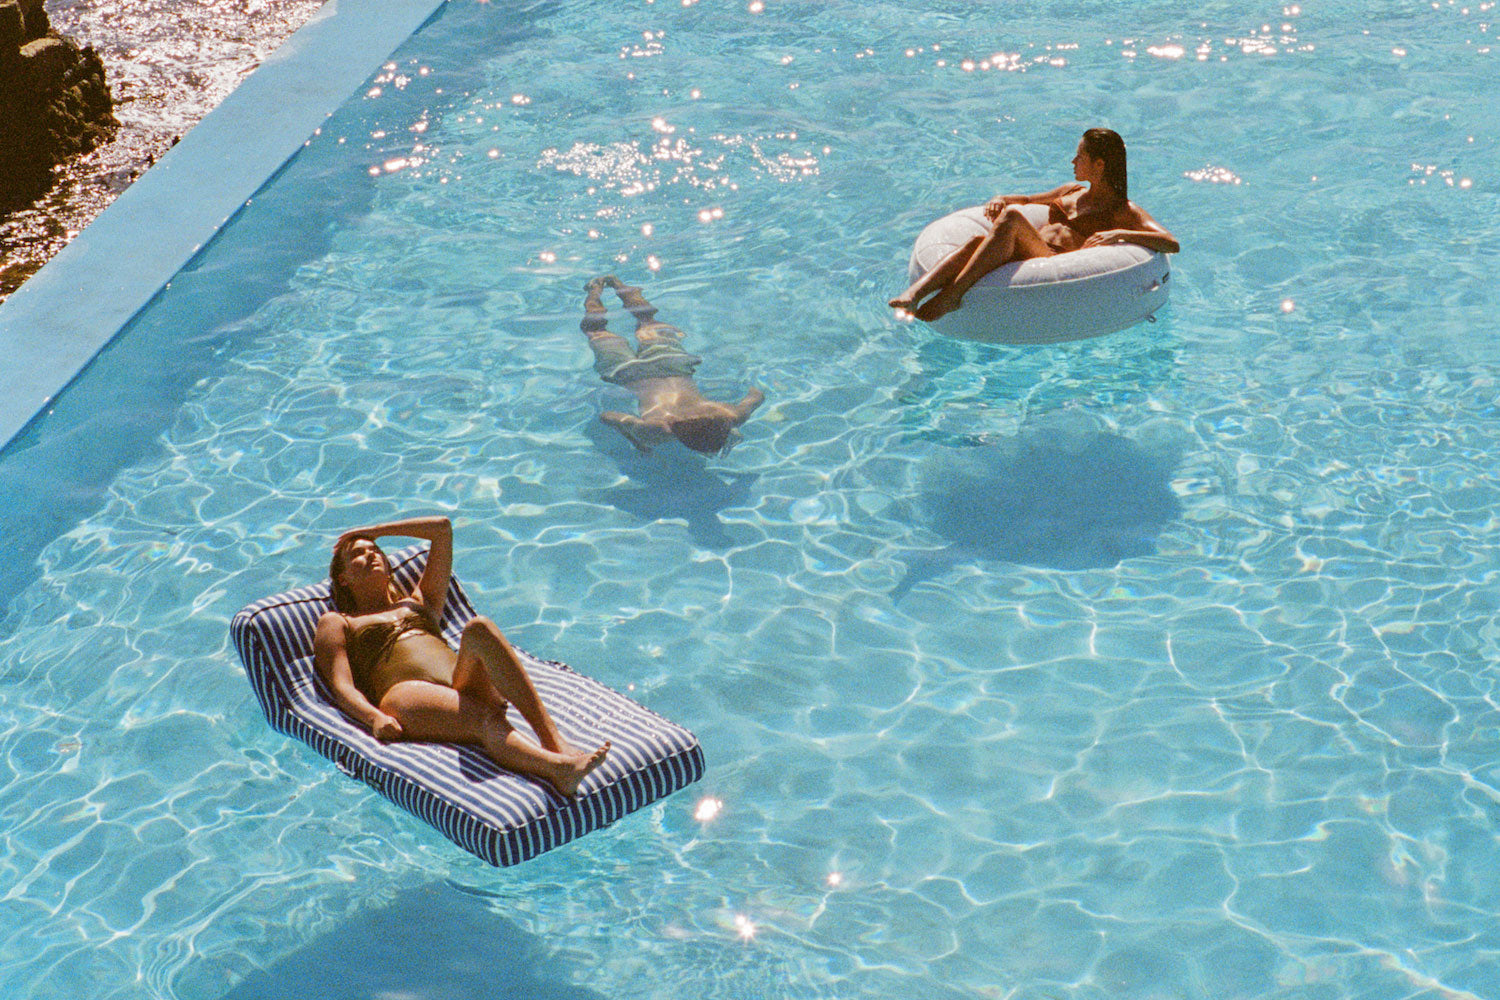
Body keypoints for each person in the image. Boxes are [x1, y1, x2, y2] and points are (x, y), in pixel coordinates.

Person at [313, 515, 610, 797]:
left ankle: (554, 741)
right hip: (404, 695)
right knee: (483, 718)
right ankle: (557, 768)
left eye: (376, 550)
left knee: (479, 627)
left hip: (459, 682)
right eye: (359, 554)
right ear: (343, 579)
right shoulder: (339, 622)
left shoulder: (419, 603)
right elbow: (342, 687)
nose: (372, 554)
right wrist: (375, 717)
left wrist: (377, 530)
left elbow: (442, 529)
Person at [889, 128, 1180, 322]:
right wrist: (1001, 198)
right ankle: (914, 294)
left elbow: (1171, 242)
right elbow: (1027, 199)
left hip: (1053, 259)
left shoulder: (1121, 210)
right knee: (975, 243)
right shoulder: (1071, 190)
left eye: (1080, 156)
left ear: (1100, 164)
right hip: (1029, 249)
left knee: (1014, 219)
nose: (1073, 161)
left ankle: (953, 295)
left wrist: (1119, 233)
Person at [581, 274, 764, 455]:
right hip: (630, 374)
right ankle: (595, 290)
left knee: (648, 321)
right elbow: (607, 417)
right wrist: (634, 436)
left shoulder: (730, 415)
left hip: (673, 365)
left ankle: (613, 283)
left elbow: (757, 395)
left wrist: (731, 428)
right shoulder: (656, 429)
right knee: (595, 330)